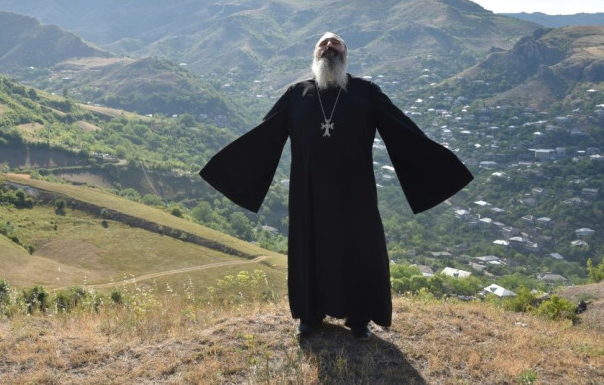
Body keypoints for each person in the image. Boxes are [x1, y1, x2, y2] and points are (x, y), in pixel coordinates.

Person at [199, 32, 473, 338]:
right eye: (323, 44)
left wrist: (442, 168)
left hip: (355, 191)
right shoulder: (296, 94)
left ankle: (359, 318)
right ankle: (309, 315)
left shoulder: (365, 92)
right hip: (309, 192)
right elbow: (264, 135)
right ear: (315, 54)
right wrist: (228, 170)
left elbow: (402, 130)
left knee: (359, 250)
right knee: (310, 251)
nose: (329, 46)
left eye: (336, 43)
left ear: (345, 53)